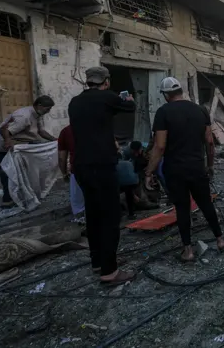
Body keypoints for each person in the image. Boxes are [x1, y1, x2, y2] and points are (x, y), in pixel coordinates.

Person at [145, 77, 224, 262]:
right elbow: (209, 142)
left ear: (166, 95)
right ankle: (221, 240)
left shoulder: (163, 112)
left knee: (182, 208)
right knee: (206, 203)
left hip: (175, 170)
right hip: (197, 167)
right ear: (181, 91)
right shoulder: (200, 110)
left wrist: (149, 172)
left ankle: (188, 251)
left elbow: (159, 147)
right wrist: (210, 165)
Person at [69, 66, 136, 284]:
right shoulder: (108, 97)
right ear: (106, 81)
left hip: (81, 166)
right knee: (110, 217)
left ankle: (98, 261)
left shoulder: (75, 102)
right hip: (102, 165)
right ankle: (110, 272)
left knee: (93, 214)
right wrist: (128, 98)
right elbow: (131, 106)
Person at [0, 96, 56, 207]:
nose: (49, 111)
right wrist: (8, 141)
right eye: (47, 109)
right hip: (1, 144)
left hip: (17, 142)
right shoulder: (24, 116)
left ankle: (21, 194)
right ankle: (7, 200)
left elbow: (41, 131)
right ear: (39, 106)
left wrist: (55, 140)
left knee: (20, 170)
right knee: (7, 171)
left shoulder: (37, 114)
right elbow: (4, 129)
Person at [57, 125, 85, 217]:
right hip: (99, 166)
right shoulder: (98, 125)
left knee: (78, 204)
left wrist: (64, 173)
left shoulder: (65, 131)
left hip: (78, 169)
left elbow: (62, 158)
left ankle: (82, 218)